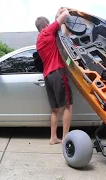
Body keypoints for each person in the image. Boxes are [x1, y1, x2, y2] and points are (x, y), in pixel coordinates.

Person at [35, 8, 72, 145]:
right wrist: (63, 10)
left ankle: (53, 138)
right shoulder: (48, 31)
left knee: (55, 109)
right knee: (68, 105)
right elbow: (65, 15)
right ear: (45, 25)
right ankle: (65, 138)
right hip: (58, 71)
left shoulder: (39, 40)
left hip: (47, 76)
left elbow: (63, 35)